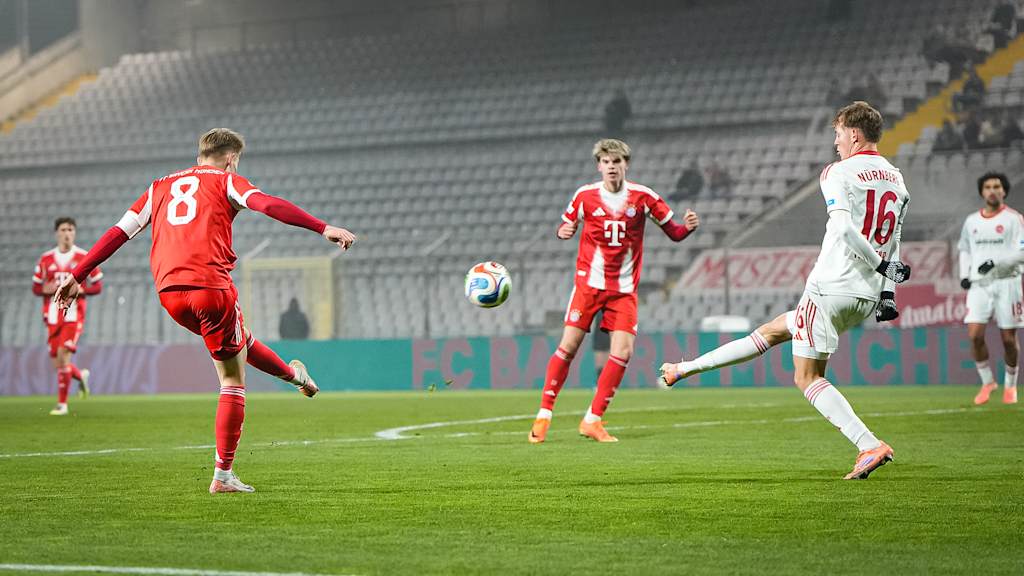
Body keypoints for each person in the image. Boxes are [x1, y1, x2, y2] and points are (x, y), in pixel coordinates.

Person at [55, 128, 356, 493]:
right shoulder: (227, 181)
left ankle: (298, 379)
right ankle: (223, 475)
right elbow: (268, 204)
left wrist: (77, 274)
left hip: (169, 293)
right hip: (210, 287)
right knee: (231, 379)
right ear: (231, 158)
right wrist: (322, 227)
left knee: (238, 341)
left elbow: (118, 232)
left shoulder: (159, 187)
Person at [659, 102, 912, 480]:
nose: (836, 142)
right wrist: (888, 291)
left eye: (839, 134)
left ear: (855, 134)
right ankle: (684, 368)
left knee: (806, 377)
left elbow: (844, 229)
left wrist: (879, 267)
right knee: (778, 328)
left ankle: (868, 444)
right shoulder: (896, 178)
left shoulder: (838, 172)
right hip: (868, 295)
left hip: (830, 286)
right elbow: (894, 242)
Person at [528, 139, 700, 444]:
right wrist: (562, 232)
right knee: (568, 347)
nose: (611, 167)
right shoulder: (585, 196)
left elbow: (673, 232)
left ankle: (592, 420)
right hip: (588, 286)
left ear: (625, 164)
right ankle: (543, 415)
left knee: (623, 351)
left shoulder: (644, 197)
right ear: (599, 165)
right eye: (606, 162)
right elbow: (565, 226)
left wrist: (686, 227)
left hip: (622, 290)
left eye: (617, 161)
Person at [958, 172, 1022, 406]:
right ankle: (988, 382)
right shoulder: (971, 222)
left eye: (997, 186)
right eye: (987, 187)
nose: (992, 190)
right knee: (974, 335)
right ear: (982, 192)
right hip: (979, 285)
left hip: (1007, 283)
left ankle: (1010, 386)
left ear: (1004, 191)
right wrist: (964, 274)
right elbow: (964, 248)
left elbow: (1021, 252)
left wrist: (996, 263)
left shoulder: (1014, 219)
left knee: (1008, 339)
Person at [32, 217, 102, 415]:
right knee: (59, 363)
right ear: (57, 233)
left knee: (63, 357)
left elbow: (97, 285)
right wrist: (48, 288)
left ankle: (62, 405)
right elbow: (36, 288)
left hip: (73, 315)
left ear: (75, 233)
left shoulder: (84, 257)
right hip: (52, 317)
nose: (67, 233)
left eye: (70, 229)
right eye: (63, 229)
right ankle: (81, 377)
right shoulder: (45, 259)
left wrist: (79, 289)